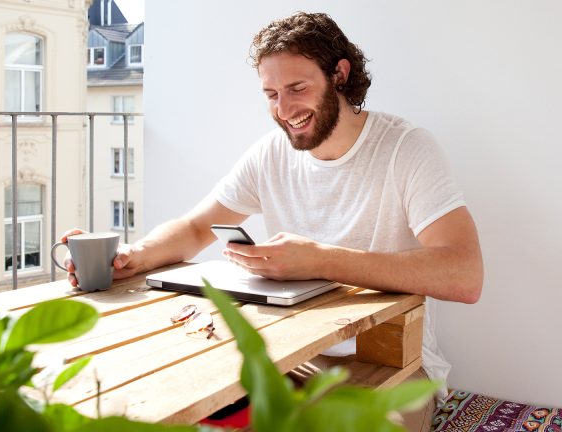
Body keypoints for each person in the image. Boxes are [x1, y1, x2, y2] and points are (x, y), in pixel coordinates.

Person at [62, 11, 483, 431]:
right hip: (290, 358)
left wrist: (320, 260)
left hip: (390, 362)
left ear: (339, 74)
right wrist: (135, 256)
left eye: (297, 88)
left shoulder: (405, 149)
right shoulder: (270, 155)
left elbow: (464, 275)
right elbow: (195, 228)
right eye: (270, 94)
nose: (284, 109)